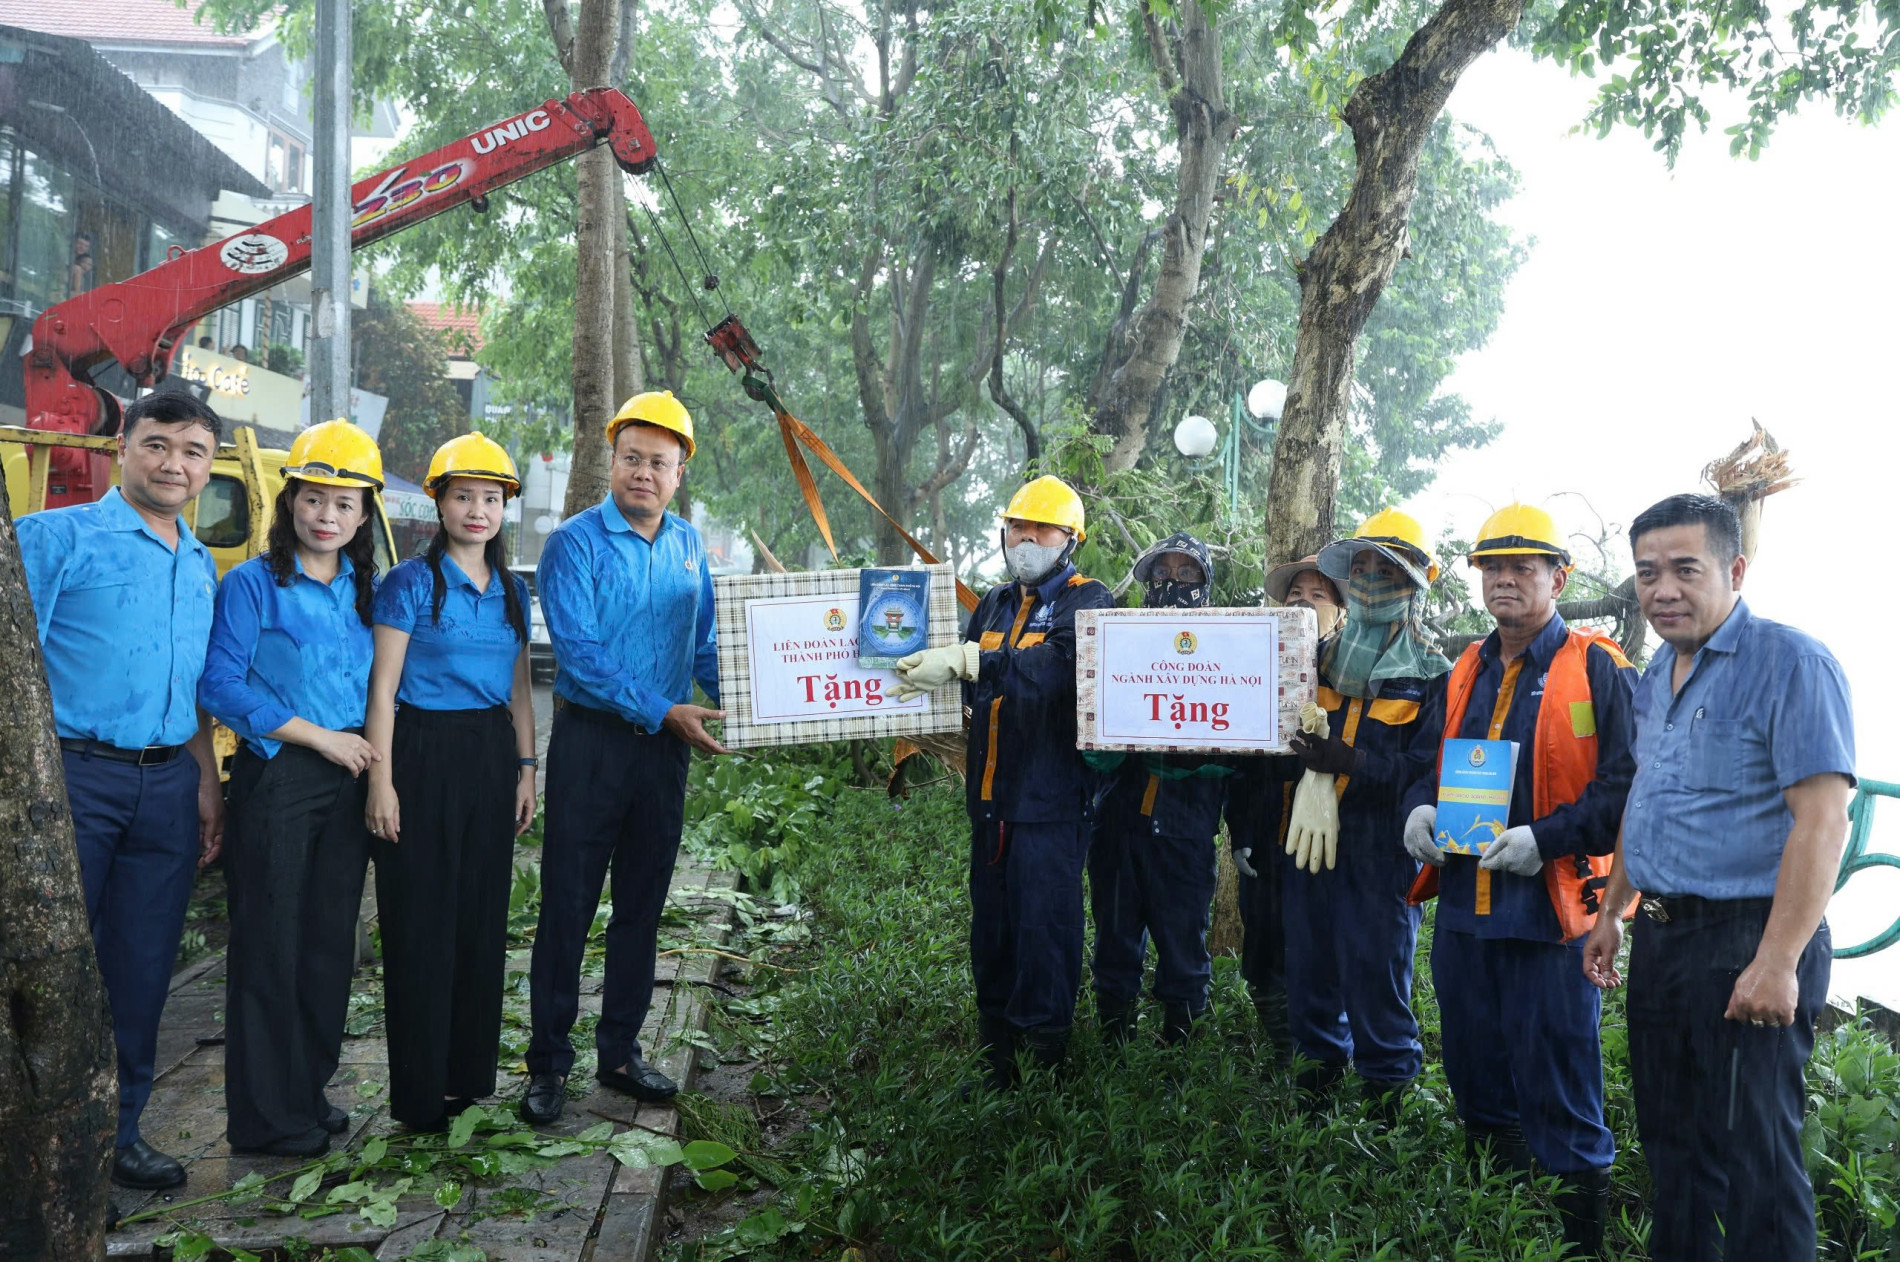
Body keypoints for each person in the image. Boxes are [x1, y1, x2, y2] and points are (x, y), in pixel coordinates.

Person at [1583, 493, 1854, 1262]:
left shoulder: (1792, 663)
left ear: (1734, 568)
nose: (1662, 589)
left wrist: (1776, 962)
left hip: (1750, 939)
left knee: (1756, 1162)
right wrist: (1613, 909)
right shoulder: (1654, 674)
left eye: (1683, 569)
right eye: (1646, 574)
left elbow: (1822, 822)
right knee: (1673, 1152)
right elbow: (1649, 794)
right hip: (1664, 939)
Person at [1399, 504, 1636, 1258]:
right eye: (1492, 568)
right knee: (1472, 1065)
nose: (1504, 580)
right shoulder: (1465, 666)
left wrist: (1546, 837)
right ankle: (1492, 1219)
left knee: (1561, 1071)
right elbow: (1420, 763)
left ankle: (1579, 1242)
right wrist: (1418, 809)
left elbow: (1629, 787)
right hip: (1466, 912)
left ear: (1558, 578)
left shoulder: (1599, 667)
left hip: (1553, 915)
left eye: (1522, 567)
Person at [18, 393, 225, 1192]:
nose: (175, 464)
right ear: (120, 448)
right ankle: (50, 1161)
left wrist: (206, 783)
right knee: (56, 974)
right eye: (158, 445)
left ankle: (119, 1135)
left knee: (142, 968)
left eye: (194, 451)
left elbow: (194, 689)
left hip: (167, 784)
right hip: (75, 778)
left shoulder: (198, 561)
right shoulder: (56, 538)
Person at [521, 391, 724, 1126]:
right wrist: (663, 708)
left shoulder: (689, 548)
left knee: (641, 907)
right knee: (567, 908)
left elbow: (705, 647)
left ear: (679, 476)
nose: (644, 472)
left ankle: (621, 1052)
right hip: (591, 745)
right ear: (613, 462)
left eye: (659, 463)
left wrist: (761, 703)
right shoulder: (572, 544)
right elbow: (580, 655)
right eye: (631, 458)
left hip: (664, 757)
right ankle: (546, 1065)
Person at [199, 419, 384, 1158]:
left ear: (364, 515)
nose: (326, 516)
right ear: (290, 502)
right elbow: (219, 682)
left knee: (327, 943)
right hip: (280, 777)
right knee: (269, 944)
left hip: (348, 783)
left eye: (342, 505)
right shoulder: (252, 585)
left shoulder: (364, 591)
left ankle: (308, 1088)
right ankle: (265, 1119)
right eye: (313, 499)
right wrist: (316, 735)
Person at [893, 475, 1115, 1085]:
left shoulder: (1088, 601)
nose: (1026, 538)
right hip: (988, 799)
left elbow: (1057, 670)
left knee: (1046, 928)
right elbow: (961, 676)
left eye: (1041, 529)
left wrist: (972, 661)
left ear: (1070, 539)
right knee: (992, 928)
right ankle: (998, 1055)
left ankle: (1044, 1059)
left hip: (1050, 804)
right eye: (1017, 526)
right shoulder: (992, 602)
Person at [364, 433, 538, 1131]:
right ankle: (416, 1093)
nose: (477, 510)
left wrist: (528, 770)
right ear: (438, 502)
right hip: (421, 750)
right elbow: (382, 691)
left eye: (490, 499)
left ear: (505, 510)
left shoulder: (514, 590)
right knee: (419, 920)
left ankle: (467, 1077)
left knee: (480, 917)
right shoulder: (408, 582)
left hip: (492, 754)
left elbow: (522, 691)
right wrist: (382, 782)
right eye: (463, 495)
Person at [1280, 509, 1448, 1117]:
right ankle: (1316, 1097)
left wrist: (1348, 761)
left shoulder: (1434, 673)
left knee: (1377, 979)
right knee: (1310, 970)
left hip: (1382, 855)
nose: (1372, 577)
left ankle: (1387, 1110)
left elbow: (1427, 772)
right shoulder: (1312, 654)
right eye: (1364, 566)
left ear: (1417, 580)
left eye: (1388, 568)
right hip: (1306, 838)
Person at [1086, 532, 1232, 1046]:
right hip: (1117, 820)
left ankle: (1180, 1058)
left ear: (1205, 582)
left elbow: (1242, 745)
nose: (1173, 582)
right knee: (1114, 935)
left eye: (1187, 573)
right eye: (1163, 573)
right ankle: (1112, 1046)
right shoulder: (1117, 642)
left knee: (1183, 944)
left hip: (1186, 828)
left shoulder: (1231, 652)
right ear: (1146, 582)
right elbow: (1088, 724)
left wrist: (1204, 765)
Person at [1227, 555, 1342, 1062]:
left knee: (1320, 955)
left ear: (1340, 612)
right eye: (1295, 593)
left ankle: (1324, 1061)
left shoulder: (1350, 671)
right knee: (1263, 950)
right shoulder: (1254, 666)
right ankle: (1282, 1053)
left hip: (1327, 843)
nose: (1303, 601)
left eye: (1318, 595)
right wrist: (1240, 831)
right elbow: (1240, 759)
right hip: (1267, 833)